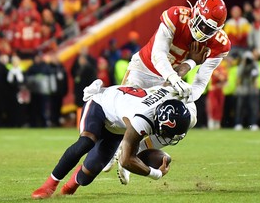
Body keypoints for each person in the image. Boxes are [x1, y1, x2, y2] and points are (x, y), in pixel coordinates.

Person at [104, 0, 231, 183]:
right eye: (202, 24)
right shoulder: (175, 16)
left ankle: (133, 150)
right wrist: (181, 70)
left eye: (210, 29)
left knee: (190, 117)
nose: (203, 31)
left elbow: (200, 82)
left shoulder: (220, 43)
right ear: (194, 12)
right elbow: (158, 55)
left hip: (172, 80)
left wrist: (186, 95)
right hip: (144, 70)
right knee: (122, 118)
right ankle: (108, 149)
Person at [31, 79, 197, 199]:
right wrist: (156, 174)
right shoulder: (141, 120)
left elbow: (176, 76)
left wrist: (189, 64)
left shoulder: (171, 96)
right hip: (101, 105)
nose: (169, 137)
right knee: (86, 142)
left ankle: (71, 185)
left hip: (117, 124)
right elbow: (125, 161)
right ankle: (49, 185)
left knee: (90, 172)